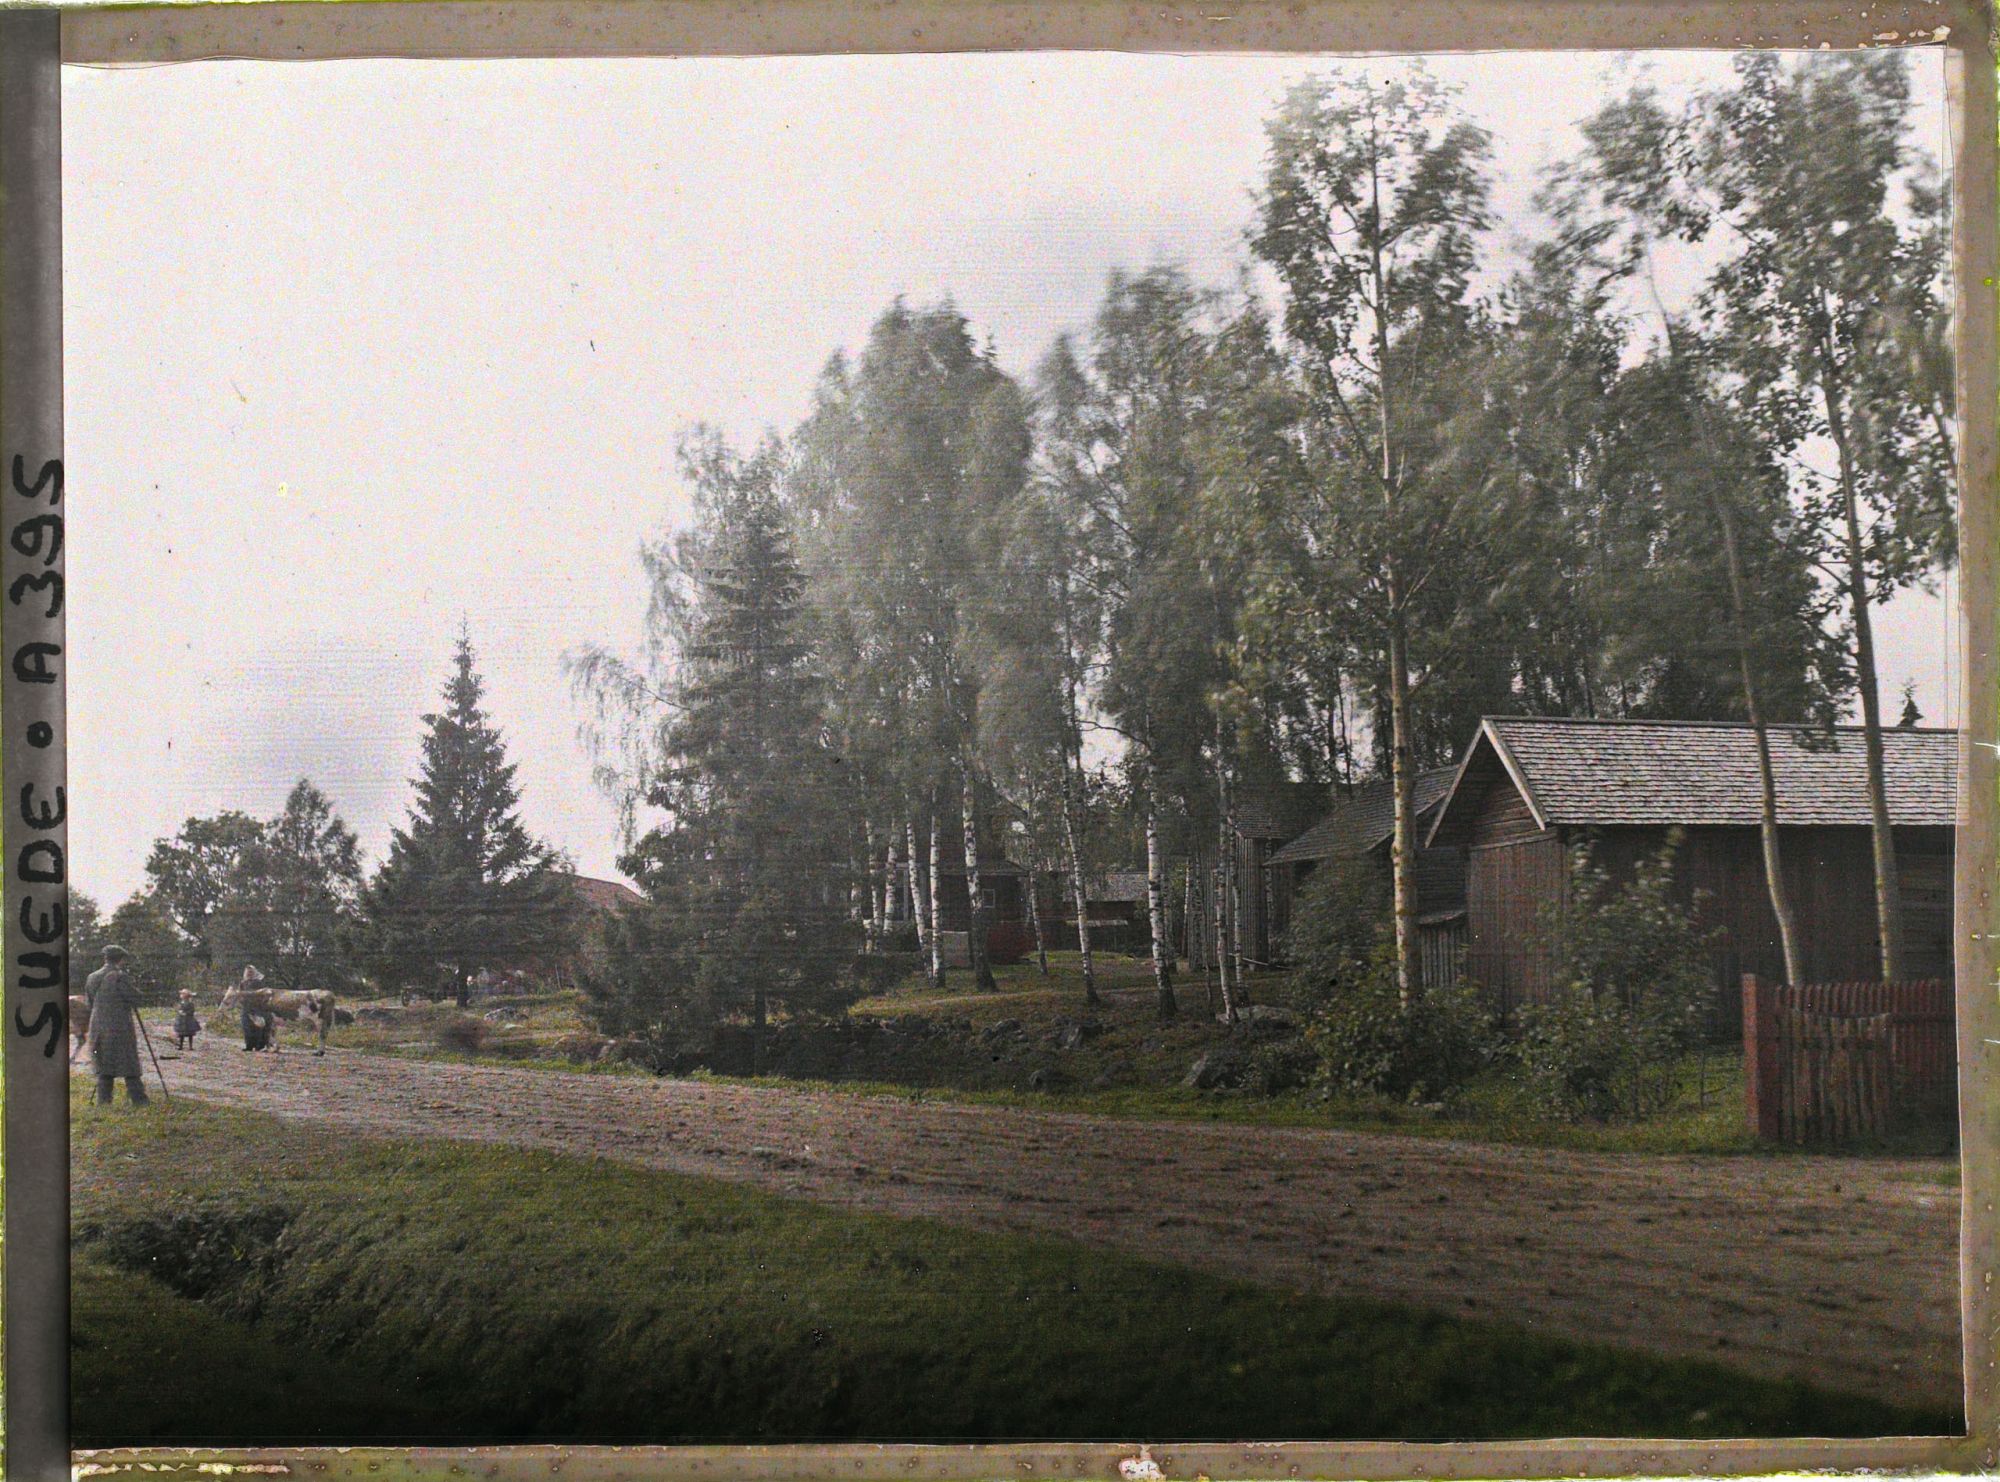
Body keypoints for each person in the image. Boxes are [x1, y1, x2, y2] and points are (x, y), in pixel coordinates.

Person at [84, 945, 148, 1106]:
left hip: (97, 1027)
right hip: (119, 1027)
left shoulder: (91, 977)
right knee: (129, 1063)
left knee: (104, 1063)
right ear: (121, 959)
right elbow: (135, 999)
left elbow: (89, 1003)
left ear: (105, 958)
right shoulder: (120, 976)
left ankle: (104, 1101)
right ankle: (139, 1100)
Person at [238, 964, 274, 1051]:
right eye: (248, 972)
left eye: (251, 972)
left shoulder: (259, 982)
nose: (249, 974)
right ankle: (249, 1045)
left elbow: (263, 994)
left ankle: (259, 1046)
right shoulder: (243, 983)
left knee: (258, 1027)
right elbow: (240, 994)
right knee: (247, 1028)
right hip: (246, 1008)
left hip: (257, 1008)